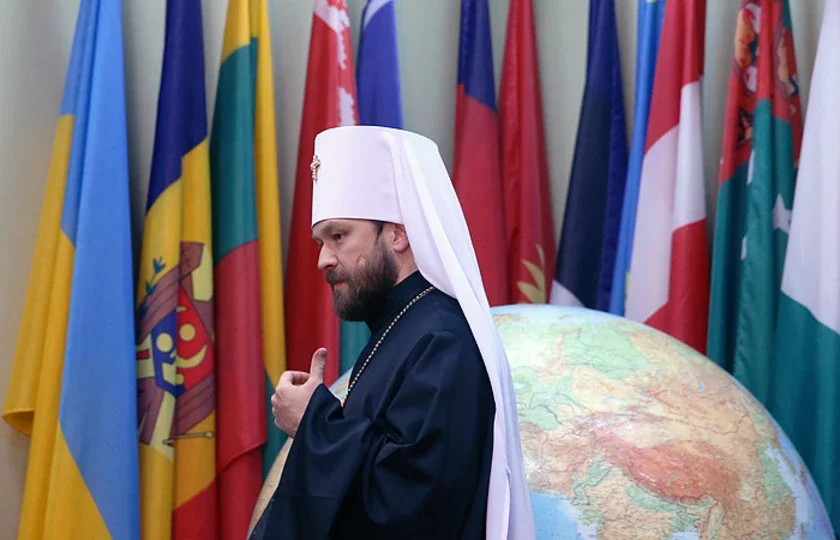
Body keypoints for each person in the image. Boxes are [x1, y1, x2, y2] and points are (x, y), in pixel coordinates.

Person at [248, 126, 535, 539]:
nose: (323, 259)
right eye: (320, 242)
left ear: (398, 234)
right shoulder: (402, 328)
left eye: (338, 236)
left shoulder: (441, 340)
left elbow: (412, 506)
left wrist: (315, 422)